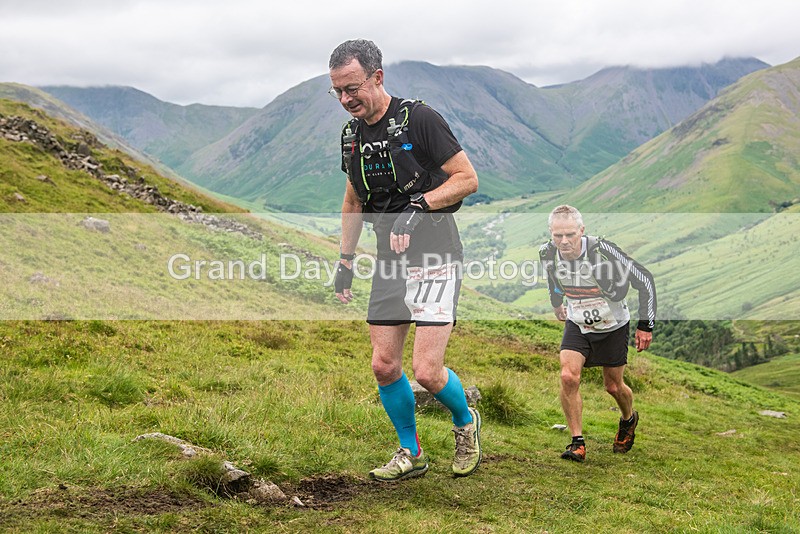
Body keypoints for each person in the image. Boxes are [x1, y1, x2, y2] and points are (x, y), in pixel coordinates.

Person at [329, 39, 482, 481]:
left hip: (435, 254)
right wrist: (345, 260)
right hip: (388, 260)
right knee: (383, 364)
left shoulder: (421, 119)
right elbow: (354, 201)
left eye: (352, 88)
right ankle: (411, 451)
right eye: (337, 91)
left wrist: (420, 206)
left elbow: (467, 179)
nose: (345, 99)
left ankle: (466, 421)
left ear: (378, 77)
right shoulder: (352, 136)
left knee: (427, 371)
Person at [539, 205, 656, 462]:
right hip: (578, 323)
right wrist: (557, 302)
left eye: (570, 234)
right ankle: (577, 442)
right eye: (558, 235)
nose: (564, 241)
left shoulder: (603, 251)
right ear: (551, 233)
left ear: (582, 230)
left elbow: (644, 279)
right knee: (569, 376)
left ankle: (628, 419)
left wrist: (646, 325)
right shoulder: (548, 253)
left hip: (612, 325)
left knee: (613, 386)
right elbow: (552, 278)